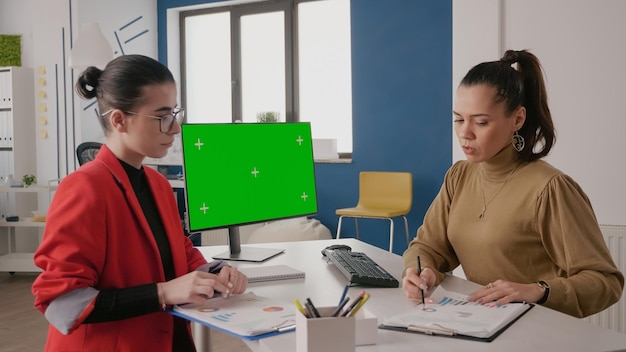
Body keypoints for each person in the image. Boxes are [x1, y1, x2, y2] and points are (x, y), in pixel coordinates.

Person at [31, 54, 248, 351]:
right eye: (162, 117)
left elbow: (178, 253)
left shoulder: (158, 184)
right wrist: (162, 293)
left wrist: (215, 273)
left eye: (175, 113)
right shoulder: (84, 188)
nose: (175, 129)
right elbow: (61, 302)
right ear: (119, 120)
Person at [402, 49, 623, 318]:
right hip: (482, 326)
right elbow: (428, 247)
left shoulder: (550, 188)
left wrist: (537, 290)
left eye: (481, 122)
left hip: (540, 333)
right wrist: (419, 272)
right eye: (459, 119)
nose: (464, 133)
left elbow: (606, 282)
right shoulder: (458, 176)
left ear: (517, 119)